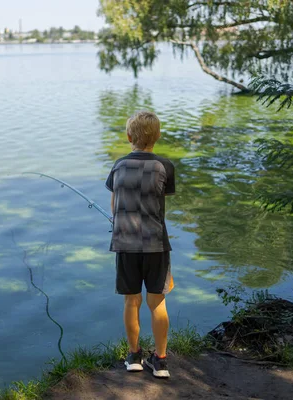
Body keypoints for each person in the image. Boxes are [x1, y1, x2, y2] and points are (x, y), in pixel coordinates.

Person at [105, 110, 175, 378]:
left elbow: (115, 205)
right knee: (157, 302)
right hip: (156, 244)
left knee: (131, 301)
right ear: (157, 137)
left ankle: (134, 356)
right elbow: (160, 203)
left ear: (129, 136)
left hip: (125, 242)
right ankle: (160, 361)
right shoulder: (165, 166)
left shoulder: (118, 165)